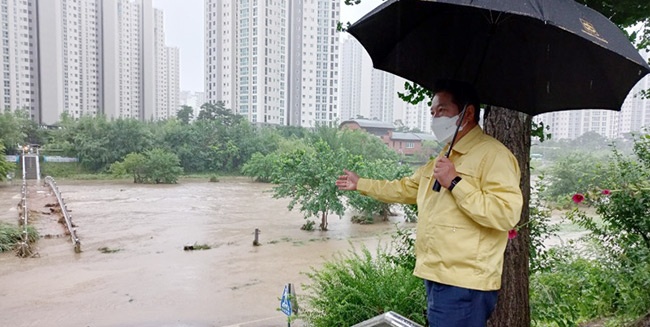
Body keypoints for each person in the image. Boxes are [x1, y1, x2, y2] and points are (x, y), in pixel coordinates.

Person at [335, 80, 523, 327]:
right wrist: (361, 184)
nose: (435, 118)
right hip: (436, 274)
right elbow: (406, 188)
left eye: (442, 110)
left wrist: (455, 182)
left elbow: (506, 214)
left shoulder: (494, 155)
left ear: (467, 112)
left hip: (465, 282)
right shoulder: (445, 155)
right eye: (432, 112)